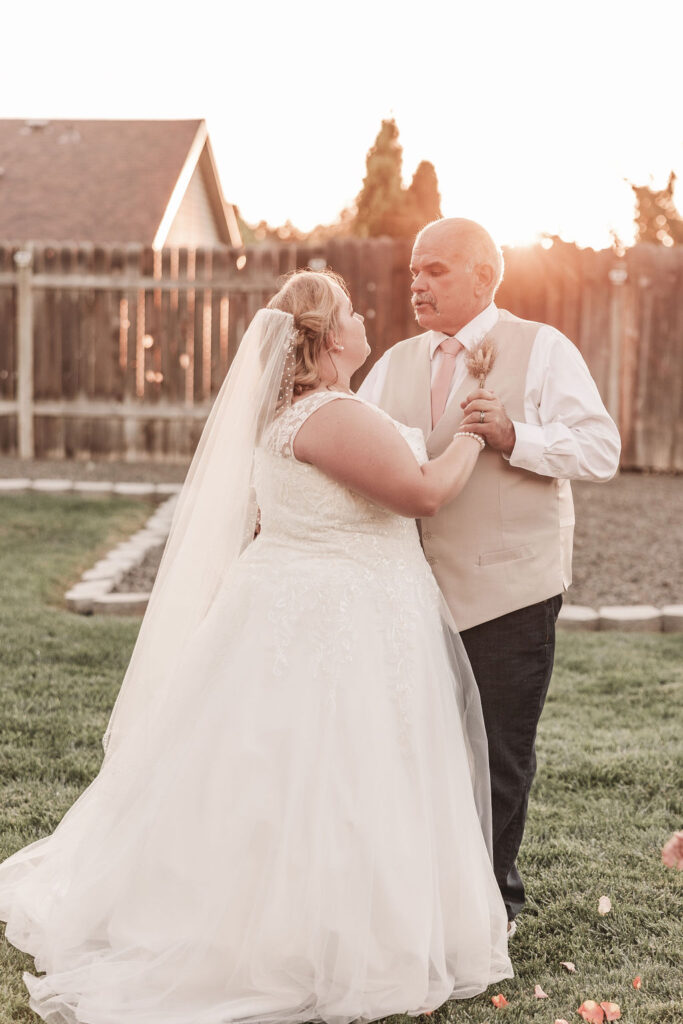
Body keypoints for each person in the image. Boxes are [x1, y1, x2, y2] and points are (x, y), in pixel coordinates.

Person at [0, 269, 512, 1024]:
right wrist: (472, 433)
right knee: (332, 773)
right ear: (328, 338)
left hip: (307, 603)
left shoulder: (292, 414)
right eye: (350, 308)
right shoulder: (331, 412)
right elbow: (424, 492)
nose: (363, 314)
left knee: (293, 771)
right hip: (338, 614)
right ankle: (305, 937)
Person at [358, 217, 621, 931]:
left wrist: (515, 437)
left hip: (510, 587)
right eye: (414, 270)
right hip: (410, 588)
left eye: (435, 270)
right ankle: (421, 892)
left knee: (497, 751)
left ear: (483, 277)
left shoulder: (543, 349)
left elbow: (600, 450)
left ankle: (488, 904)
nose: (417, 282)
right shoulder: (393, 363)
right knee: (415, 746)